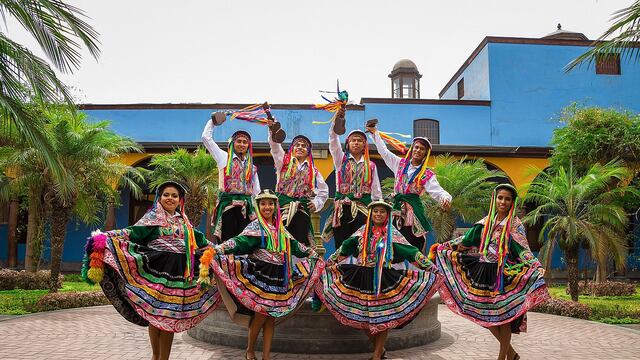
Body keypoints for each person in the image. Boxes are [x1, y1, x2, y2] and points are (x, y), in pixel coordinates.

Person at [82, 181, 219, 360]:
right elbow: (131, 233)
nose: (170, 198)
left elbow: (201, 241)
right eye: (166, 195)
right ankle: (156, 356)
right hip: (157, 271)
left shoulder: (184, 222)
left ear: (180, 200)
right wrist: (104, 237)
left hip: (179, 275)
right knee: (157, 316)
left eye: (174, 196)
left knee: (169, 317)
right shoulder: (151, 219)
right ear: (159, 198)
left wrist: (221, 249)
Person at [198, 189, 324, 360]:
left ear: (275, 206)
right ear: (258, 206)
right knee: (261, 315)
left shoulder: (280, 229)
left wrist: (311, 254)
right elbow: (239, 241)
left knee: (271, 317)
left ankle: (266, 356)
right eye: (263, 203)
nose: (267, 207)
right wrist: (218, 249)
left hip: (279, 275)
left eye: (270, 203)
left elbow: (294, 246)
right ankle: (250, 350)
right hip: (261, 274)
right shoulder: (255, 227)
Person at [433, 184, 549, 360]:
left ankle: (502, 356)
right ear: (495, 199)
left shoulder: (515, 226)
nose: (503, 202)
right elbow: (466, 240)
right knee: (483, 315)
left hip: (503, 275)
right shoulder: (485, 222)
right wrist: (443, 248)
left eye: (507, 199)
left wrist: (536, 265)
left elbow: (522, 250)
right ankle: (511, 354)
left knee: (503, 318)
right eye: (500, 198)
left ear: (512, 202)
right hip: (482, 273)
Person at [316, 200, 442, 360]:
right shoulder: (361, 233)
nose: (378, 214)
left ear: (387, 215)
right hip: (361, 278)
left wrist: (430, 267)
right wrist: (327, 265)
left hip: (384, 279)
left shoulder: (393, 235)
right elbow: (344, 250)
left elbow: (411, 252)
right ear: (370, 213)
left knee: (382, 316)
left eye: (382, 211)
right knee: (361, 316)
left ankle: (376, 355)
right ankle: (380, 349)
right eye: (375, 211)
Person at [367, 122, 451, 253]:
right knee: (391, 240)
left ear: (425, 154)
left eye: (421, 149)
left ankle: (414, 269)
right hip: (396, 208)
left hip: (414, 210)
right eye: (416, 147)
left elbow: (438, 191)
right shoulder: (399, 163)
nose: (418, 150)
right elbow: (384, 152)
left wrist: (445, 199)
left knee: (414, 242)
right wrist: (375, 133)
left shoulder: (426, 174)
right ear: (412, 149)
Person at [322, 111, 382, 249]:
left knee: (362, 245)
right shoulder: (340, 160)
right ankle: (342, 270)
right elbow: (333, 141)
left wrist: (378, 210)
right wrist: (337, 120)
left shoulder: (371, 166)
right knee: (342, 245)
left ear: (364, 145)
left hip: (363, 210)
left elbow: (376, 192)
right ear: (348, 144)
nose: (356, 143)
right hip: (342, 209)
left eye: (360, 140)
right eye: (353, 140)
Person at [267, 123, 329, 247]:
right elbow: (275, 147)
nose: (300, 147)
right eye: (297, 145)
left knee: (302, 243)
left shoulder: (313, 171)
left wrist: (316, 203)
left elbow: (324, 191)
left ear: (308, 152)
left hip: (302, 211)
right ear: (292, 149)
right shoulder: (282, 162)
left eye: (304, 146)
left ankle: (298, 265)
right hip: (283, 208)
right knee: (281, 240)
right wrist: (271, 130)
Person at [202, 117, 260, 243]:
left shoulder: (252, 167)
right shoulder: (223, 158)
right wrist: (213, 122)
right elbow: (206, 138)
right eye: (239, 141)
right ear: (232, 143)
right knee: (227, 242)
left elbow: (257, 192)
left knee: (244, 243)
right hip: (228, 206)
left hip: (246, 209)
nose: (242, 144)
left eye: (245, 142)